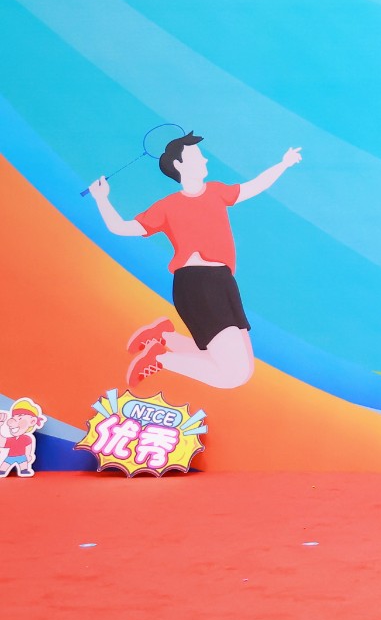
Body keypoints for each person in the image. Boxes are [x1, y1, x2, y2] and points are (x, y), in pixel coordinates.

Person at [88, 133, 301, 388]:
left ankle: (164, 337)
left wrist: (283, 164)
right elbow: (121, 227)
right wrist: (101, 198)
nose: (205, 160)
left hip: (223, 282)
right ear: (178, 164)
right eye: (198, 156)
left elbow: (255, 186)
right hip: (198, 285)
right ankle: (161, 358)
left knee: (238, 369)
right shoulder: (167, 206)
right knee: (234, 375)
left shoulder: (216, 191)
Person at [1, 398, 45, 478]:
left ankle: (24, 470)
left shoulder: (27, 438)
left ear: (32, 421)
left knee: (24, 468)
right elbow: (2, 442)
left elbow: (28, 448)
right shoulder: (11, 439)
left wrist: (28, 455)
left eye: (20, 418)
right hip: (9, 457)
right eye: (13, 418)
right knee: (2, 469)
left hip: (22, 457)